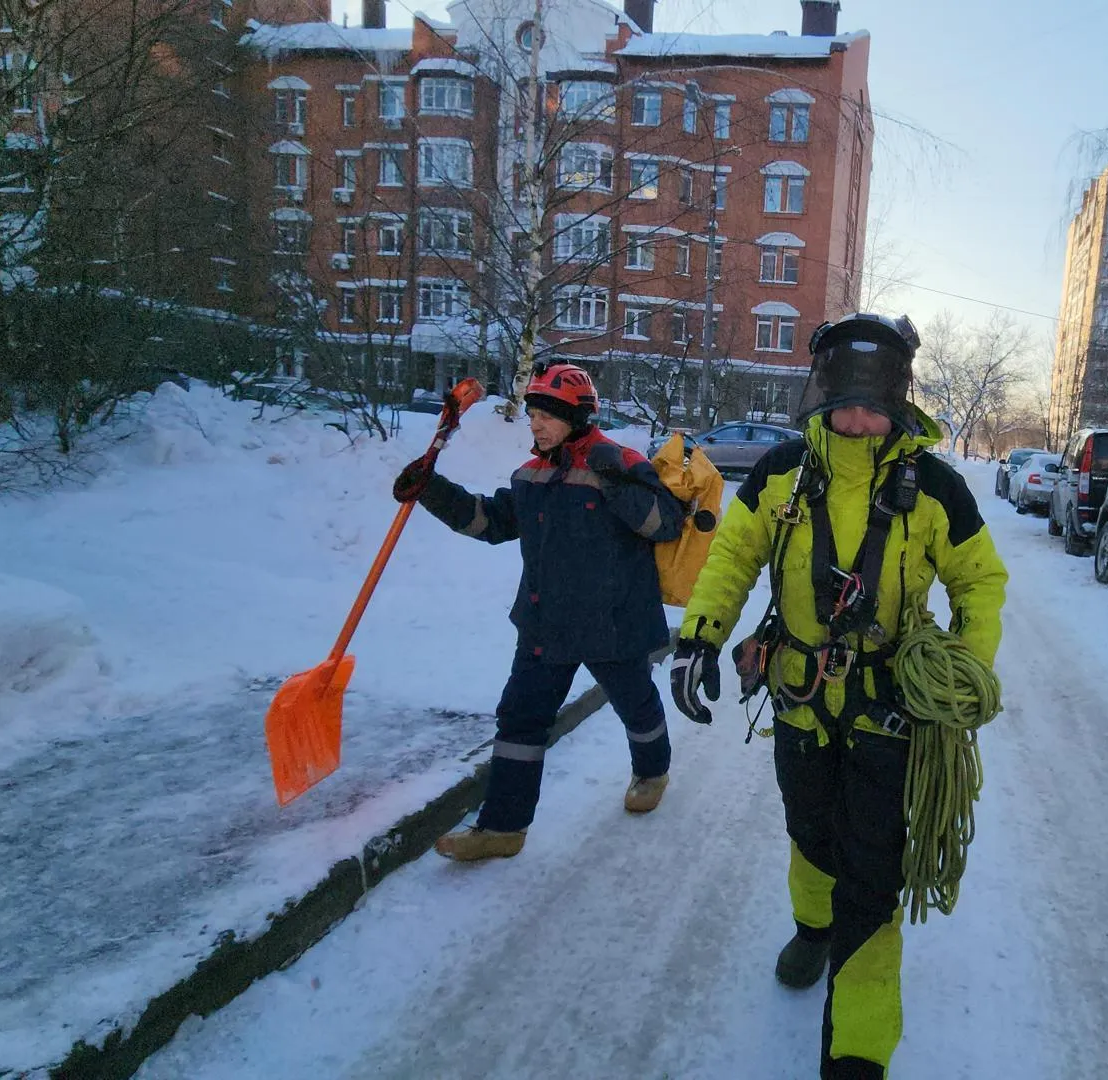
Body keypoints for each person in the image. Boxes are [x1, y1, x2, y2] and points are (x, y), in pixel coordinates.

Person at [666, 313, 1008, 1079]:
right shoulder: (782, 472)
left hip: (894, 714)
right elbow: (734, 555)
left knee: (872, 882)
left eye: (873, 406)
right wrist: (700, 636)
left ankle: (856, 1052)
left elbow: (981, 584)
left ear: (898, 403)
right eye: (844, 404)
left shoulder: (937, 488)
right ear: (819, 396)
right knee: (809, 831)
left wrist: (959, 673)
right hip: (799, 702)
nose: (857, 422)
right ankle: (809, 927)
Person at [395, 362, 686, 861]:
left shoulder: (619, 460)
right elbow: (491, 522)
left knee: (635, 706)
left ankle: (652, 769)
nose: (536, 424)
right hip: (544, 624)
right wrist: (433, 492)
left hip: (612, 623)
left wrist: (617, 483)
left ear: (577, 416)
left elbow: (666, 524)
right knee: (520, 721)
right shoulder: (531, 475)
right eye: (533, 414)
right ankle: (503, 828)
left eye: (547, 416)